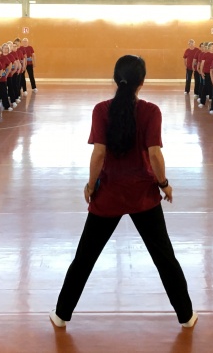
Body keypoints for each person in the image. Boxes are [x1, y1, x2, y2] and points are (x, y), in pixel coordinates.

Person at [50, 55, 197, 329]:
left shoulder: (101, 109)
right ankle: (186, 316)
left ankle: (61, 314)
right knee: (165, 257)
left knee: (85, 257)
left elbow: (98, 153)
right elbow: (155, 154)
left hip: (108, 196)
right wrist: (164, 184)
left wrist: (91, 186)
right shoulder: (151, 111)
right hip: (144, 196)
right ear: (143, 81)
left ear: (116, 79)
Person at [198, 42, 213, 107]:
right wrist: (201, 72)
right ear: (209, 47)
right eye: (211, 46)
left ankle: (212, 98)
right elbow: (202, 64)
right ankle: (202, 102)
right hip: (207, 73)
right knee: (205, 87)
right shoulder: (205, 54)